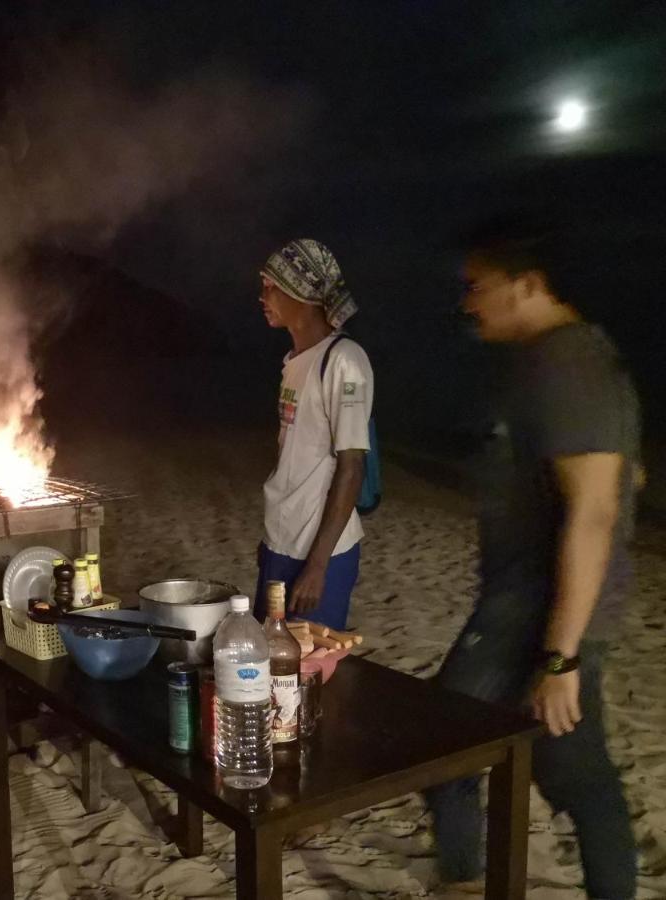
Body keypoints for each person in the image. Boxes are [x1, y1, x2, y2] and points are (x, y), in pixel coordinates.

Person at [425, 216, 640, 898]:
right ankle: (463, 878)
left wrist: (562, 658)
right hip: (526, 608)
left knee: (555, 769)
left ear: (527, 284)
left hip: (539, 618)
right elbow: (616, 480)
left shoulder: (566, 362)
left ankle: (464, 879)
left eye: (476, 285)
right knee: (474, 751)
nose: (466, 302)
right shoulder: (560, 360)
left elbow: (596, 510)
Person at [254, 239, 373, 630]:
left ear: (301, 293)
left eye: (271, 286)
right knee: (267, 661)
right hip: (281, 543)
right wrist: (272, 541)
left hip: (320, 553)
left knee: (305, 673)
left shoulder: (344, 361)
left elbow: (352, 467)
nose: (262, 296)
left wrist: (318, 565)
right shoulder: (293, 362)